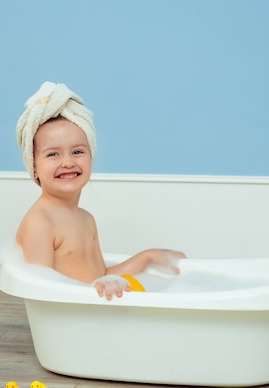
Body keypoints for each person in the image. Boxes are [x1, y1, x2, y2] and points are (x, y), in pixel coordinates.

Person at [15, 81, 186, 300]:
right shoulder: (40, 223)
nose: (67, 162)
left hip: (94, 314)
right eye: (53, 154)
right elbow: (41, 288)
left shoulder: (86, 219)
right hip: (71, 319)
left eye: (77, 151)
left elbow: (100, 276)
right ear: (34, 167)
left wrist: (148, 257)